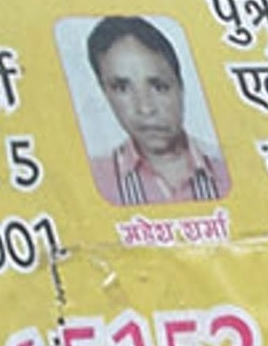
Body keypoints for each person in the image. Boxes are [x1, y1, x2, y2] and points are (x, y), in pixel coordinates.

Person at [83, 14, 225, 207]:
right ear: (105, 92)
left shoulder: (226, 166)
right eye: (121, 88)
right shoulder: (94, 179)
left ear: (180, 87)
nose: (145, 108)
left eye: (159, 87)